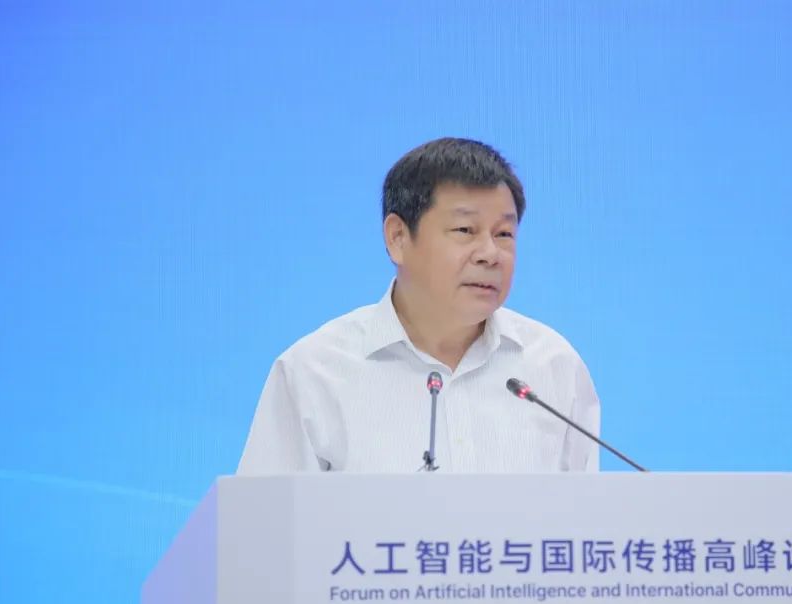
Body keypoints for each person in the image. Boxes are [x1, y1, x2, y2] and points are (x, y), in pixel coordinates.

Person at [236, 138, 599, 475]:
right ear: (398, 238)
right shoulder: (314, 373)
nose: (490, 254)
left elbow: (586, 516)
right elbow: (261, 519)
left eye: (504, 234)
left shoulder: (553, 367)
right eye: (465, 230)